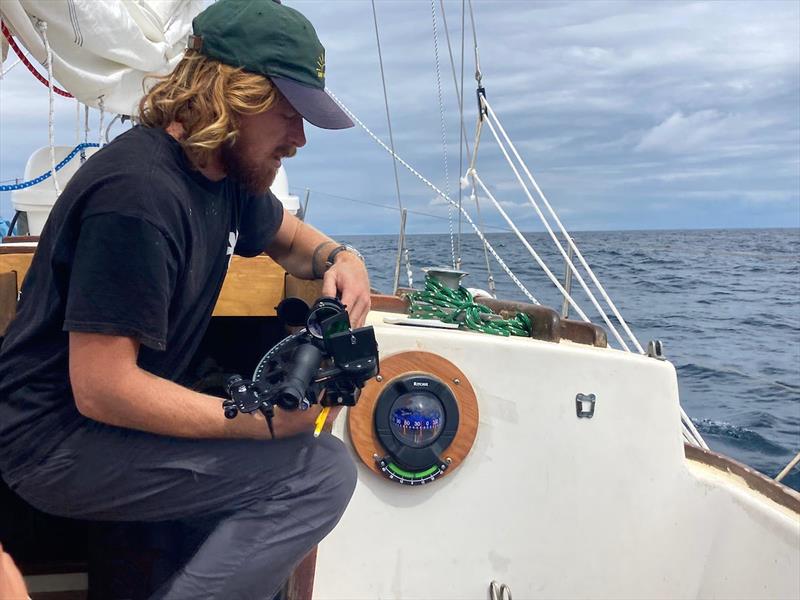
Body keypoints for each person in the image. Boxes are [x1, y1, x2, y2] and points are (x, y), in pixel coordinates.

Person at [0, 0, 369, 597]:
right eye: (289, 112)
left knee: (302, 452)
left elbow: (294, 242)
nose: (299, 138)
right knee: (318, 476)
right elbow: (102, 387)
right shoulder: (140, 195)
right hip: (53, 444)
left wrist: (339, 259)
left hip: (101, 430)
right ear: (235, 94)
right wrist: (258, 424)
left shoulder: (225, 175)